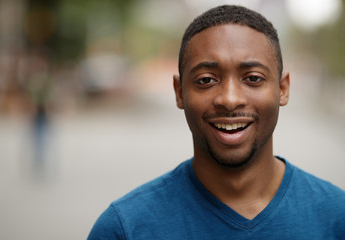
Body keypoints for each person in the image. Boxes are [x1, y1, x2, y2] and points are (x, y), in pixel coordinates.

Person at [88, 5, 345, 239]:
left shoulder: (337, 218)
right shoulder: (125, 229)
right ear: (179, 92)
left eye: (253, 78)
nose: (230, 100)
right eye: (206, 80)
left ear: (283, 88)